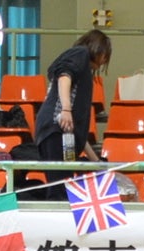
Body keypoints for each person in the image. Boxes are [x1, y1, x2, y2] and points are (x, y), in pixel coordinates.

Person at [35, 29, 111, 164]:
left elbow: (76, 130)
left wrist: (96, 161)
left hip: (62, 133)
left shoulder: (83, 71)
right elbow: (64, 75)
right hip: (56, 129)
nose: (105, 60)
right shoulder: (81, 53)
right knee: (60, 177)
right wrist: (66, 109)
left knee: (63, 176)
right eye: (105, 54)